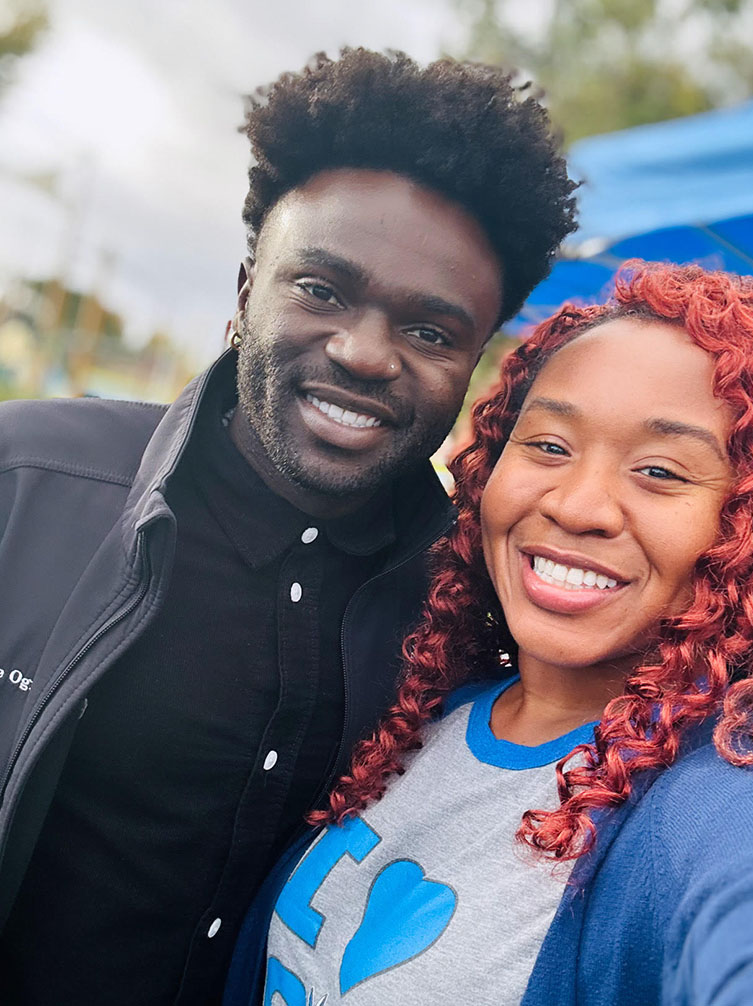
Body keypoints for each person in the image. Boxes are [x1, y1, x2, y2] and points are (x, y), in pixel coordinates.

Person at [0, 49, 577, 1005]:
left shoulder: (485, 613)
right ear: (243, 293)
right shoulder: (28, 487)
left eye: (431, 332)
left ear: (476, 360)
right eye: (320, 290)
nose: (362, 353)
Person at [226, 261, 753, 1006]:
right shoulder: (424, 716)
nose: (577, 505)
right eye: (550, 446)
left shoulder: (728, 806)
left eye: (659, 471)